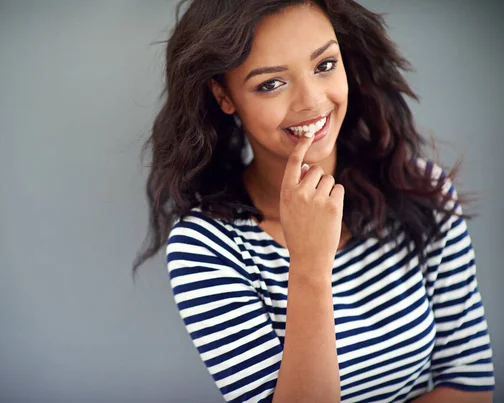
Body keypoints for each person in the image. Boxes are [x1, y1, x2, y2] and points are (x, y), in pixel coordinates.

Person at [132, 0, 495, 402]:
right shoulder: (206, 248)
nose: (311, 101)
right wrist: (309, 267)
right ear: (223, 94)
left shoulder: (419, 188)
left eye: (324, 65)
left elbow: (469, 385)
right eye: (271, 83)